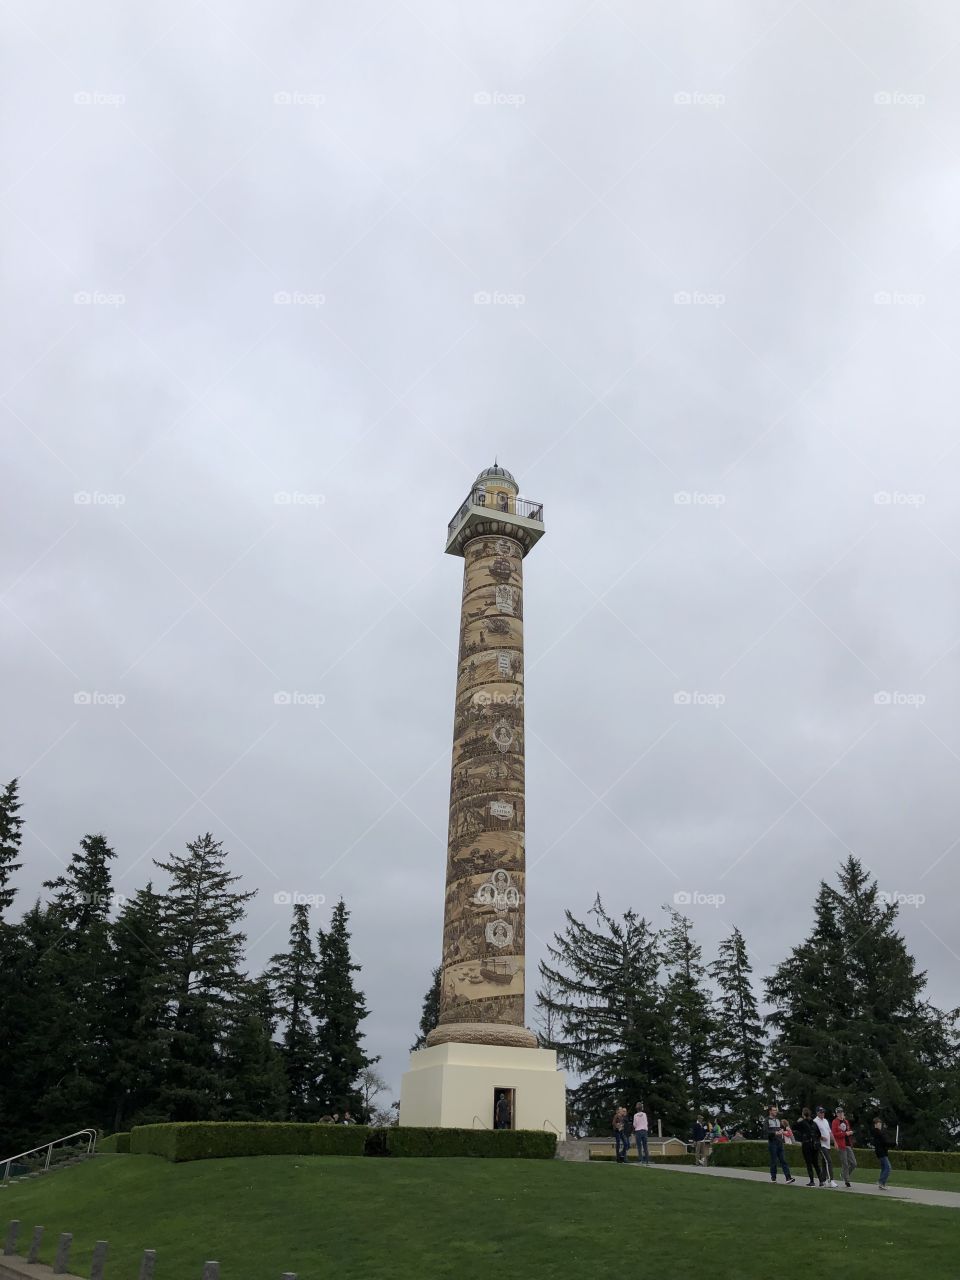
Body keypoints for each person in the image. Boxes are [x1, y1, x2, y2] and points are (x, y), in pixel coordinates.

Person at [764, 1105, 796, 1183]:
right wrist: (775, 1133)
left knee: (783, 1160)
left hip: (779, 1142)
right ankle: (773, 1178)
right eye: (774, 1110)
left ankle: (788, 1178)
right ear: (770, 1111)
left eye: (776, 1110)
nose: (776, 1111)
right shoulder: (767, 1120)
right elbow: (765, 1132)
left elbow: (779, 1129)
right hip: (772, 1142)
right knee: (774, 1161)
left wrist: (781, 1131)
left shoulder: (778, 1120)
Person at [795, 1107, 825, 1187]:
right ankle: (821, 1181)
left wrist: (799, 1121)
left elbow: (794, 1127)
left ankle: (812, 1181)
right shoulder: (814, 1123)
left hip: (806, 1144)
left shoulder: (802, 1123)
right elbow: (819, 1134)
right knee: (816, 1163)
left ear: (803, 1114)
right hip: (815, 1145)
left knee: (809, 1163)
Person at [831, 1107, 857, 1187]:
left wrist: (849, 1132)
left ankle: (844, 1174)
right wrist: (846, 1134)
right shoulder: (835, 1122)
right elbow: (835, 1134)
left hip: (848, 1144)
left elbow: (847, 1130)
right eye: (839, 1112)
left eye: (841, 1112)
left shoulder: (846, 1121)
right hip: (841, 1145)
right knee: (845, 1163)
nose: (840, 1114)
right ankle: (847, 1181)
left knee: (854, 1163)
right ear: (836, 1113)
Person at [814, 1107, 838, 1187]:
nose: (822, 1114)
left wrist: (834, 1141)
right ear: (817, 1113)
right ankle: (831, 1180)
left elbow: (830, 1132)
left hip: (827, 1144)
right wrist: (821, 1137)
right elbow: (814, 1133)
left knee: (824, 1163)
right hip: (821, 1144)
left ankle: (823, 1180)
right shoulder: (815, 1121)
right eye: (821, 1112)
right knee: (829, 1161)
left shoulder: (825, 1121)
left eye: (823, 1112)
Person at [872, 1117, 893, 1189]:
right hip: (881, 1153)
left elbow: (885, 1140)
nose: (880, 1125)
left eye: (880, 1123)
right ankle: (881, 1182)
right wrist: (893, 1144)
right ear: (875, 1124)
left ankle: (882, 1184)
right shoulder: (877, 1132)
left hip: (882, 1152)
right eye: (878, 1124)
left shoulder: (879, 1132)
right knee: (888, 1167)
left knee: (884, 1168)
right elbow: (884, 1142)